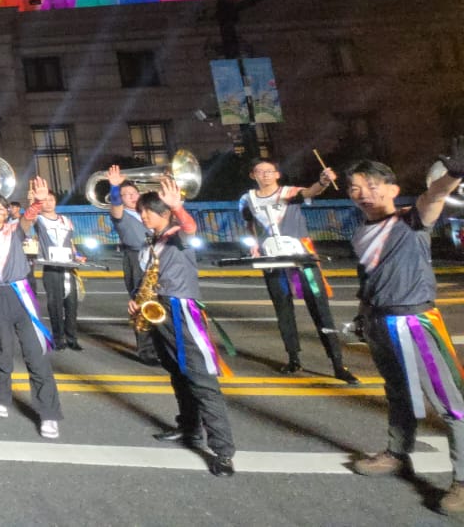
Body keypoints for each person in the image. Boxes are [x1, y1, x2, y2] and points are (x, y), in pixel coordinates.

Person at [347, 157, 464, 512]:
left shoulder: (411, 220)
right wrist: (362, 316)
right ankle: (397, 453)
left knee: (450, 404)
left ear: (393, 189)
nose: (363, 193)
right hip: (378, 323)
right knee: (397, 392)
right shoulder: (361, 232)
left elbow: (434, 195)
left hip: (415, 323)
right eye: (355, 188)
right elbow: (369, 279)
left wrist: (454, 173)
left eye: (372, 186)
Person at [134, 175, 236, 477]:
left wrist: (178, 207)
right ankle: (189, 428)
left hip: (182, 311)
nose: (143, 216)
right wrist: (139, 299)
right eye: (141, 211)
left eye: (147, 211)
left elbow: (191, 228)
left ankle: (223, 452)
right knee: (178, 373)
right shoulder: (152, 240)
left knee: (202, 380)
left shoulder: (178, 233)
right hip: (159, 309)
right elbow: (152, 273)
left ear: (163, 212)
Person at [239, 158, 358, 383]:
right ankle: (293, 358)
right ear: (253, 175)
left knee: (320, 308)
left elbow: (311, 192)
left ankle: (337, 363)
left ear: (277, 174)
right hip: (273, 260)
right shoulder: (248, 199)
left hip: (302, 259)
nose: (265, 174)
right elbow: (249, 225)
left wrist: (323, 182)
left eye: (269, 171)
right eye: (260, 171)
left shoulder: (289, 193)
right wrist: (254, 245)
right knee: (283, 309)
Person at [0, 183, 63, 439]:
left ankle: (48, 414)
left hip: (21, 295)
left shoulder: (14, 229)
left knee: (36, 354)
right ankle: (0, 396)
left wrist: (38, 202)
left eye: (1, 207)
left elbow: (29, 217)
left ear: (6, 211)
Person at [23, 181, 86, 351]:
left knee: (71, 304)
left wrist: (77, 255)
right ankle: (58, 339)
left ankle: (72, 338)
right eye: (45, 200)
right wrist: (33, 201)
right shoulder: (39, 220)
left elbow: (70, 242)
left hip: (68, 267)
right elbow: (29, 218)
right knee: (55, 305)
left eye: (51, 199)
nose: (48, 203)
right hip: (51, 268)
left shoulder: (66, 220)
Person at [107, 166, 159, 365]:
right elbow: (116, 206)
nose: (131, 197)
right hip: (135, 257)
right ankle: (146, 351)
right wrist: (114, 188)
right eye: (125, 195)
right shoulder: (121, 216)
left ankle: (161, 345)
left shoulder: (149, 212)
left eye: (133, 193)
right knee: (141, 302)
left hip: (156, 256)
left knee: (160, 301)